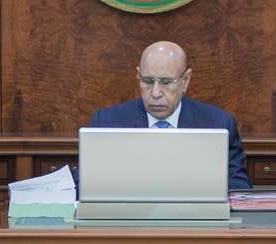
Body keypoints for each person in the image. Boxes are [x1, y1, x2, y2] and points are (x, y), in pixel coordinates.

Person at [86, 40, 250, 190]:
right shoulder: (106, 123)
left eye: (166, 82)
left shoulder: (218, 125)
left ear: (185, 80)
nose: (155, 93)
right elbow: (85, 186)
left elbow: (239, 189)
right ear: (138, 76)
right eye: (148, 81)